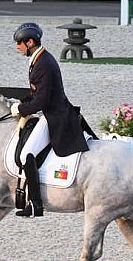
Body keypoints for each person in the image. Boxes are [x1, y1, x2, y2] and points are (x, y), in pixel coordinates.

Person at [10, 22, 89, 217]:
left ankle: (36, 204)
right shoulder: (39, 59)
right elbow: (37, 93)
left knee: (26, 154)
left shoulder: (43, 63)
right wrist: (22, 102)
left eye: (19, 43)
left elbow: (42, 100)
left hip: (56, 115)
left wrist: (20, 109)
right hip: (49, 111)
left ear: (29, 42)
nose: (17, 47)